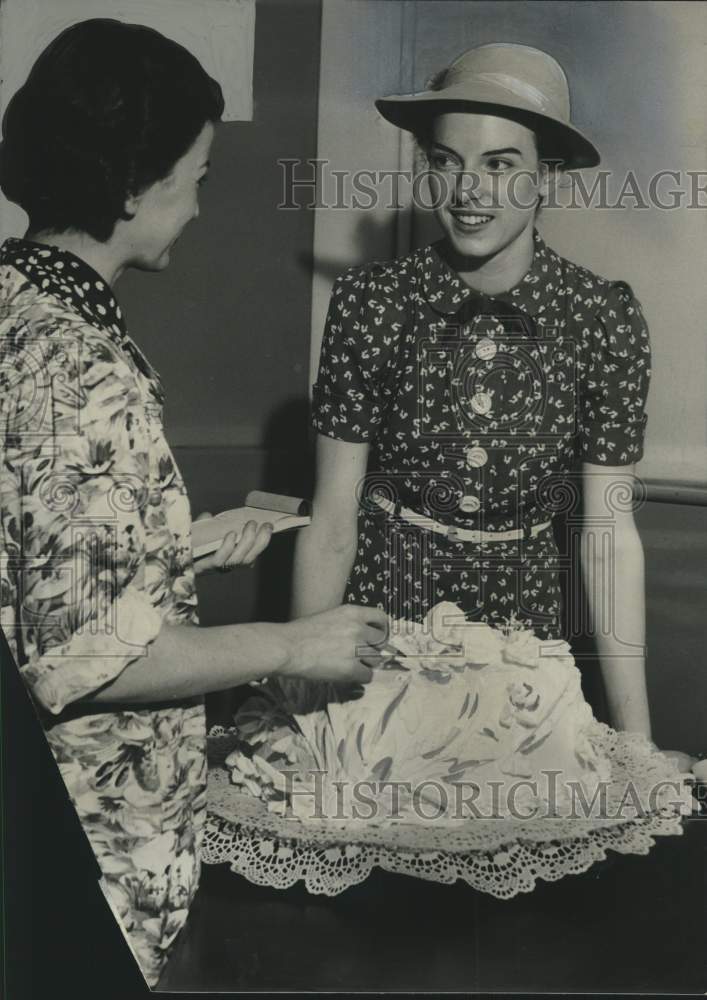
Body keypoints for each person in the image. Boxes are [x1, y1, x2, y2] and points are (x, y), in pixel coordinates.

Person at [0, 19, 385, 986]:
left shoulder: (17, 308)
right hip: (79, 854)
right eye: (197, 176)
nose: (202, 206)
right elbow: (84, 661)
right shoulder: (76, 366)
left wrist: (171, 546)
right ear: (133, 184)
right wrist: (301, 645)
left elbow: (33, 564)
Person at [292, 43, 686, 753]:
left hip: (524, 652)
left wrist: (636, 740)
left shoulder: (602, 317)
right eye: (447, 161)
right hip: (381, 635)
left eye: (500, 164)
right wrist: (301, 705)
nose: (468, 190)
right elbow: (330, 522)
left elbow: (607, 536)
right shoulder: (371, 303)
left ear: (549, 178)